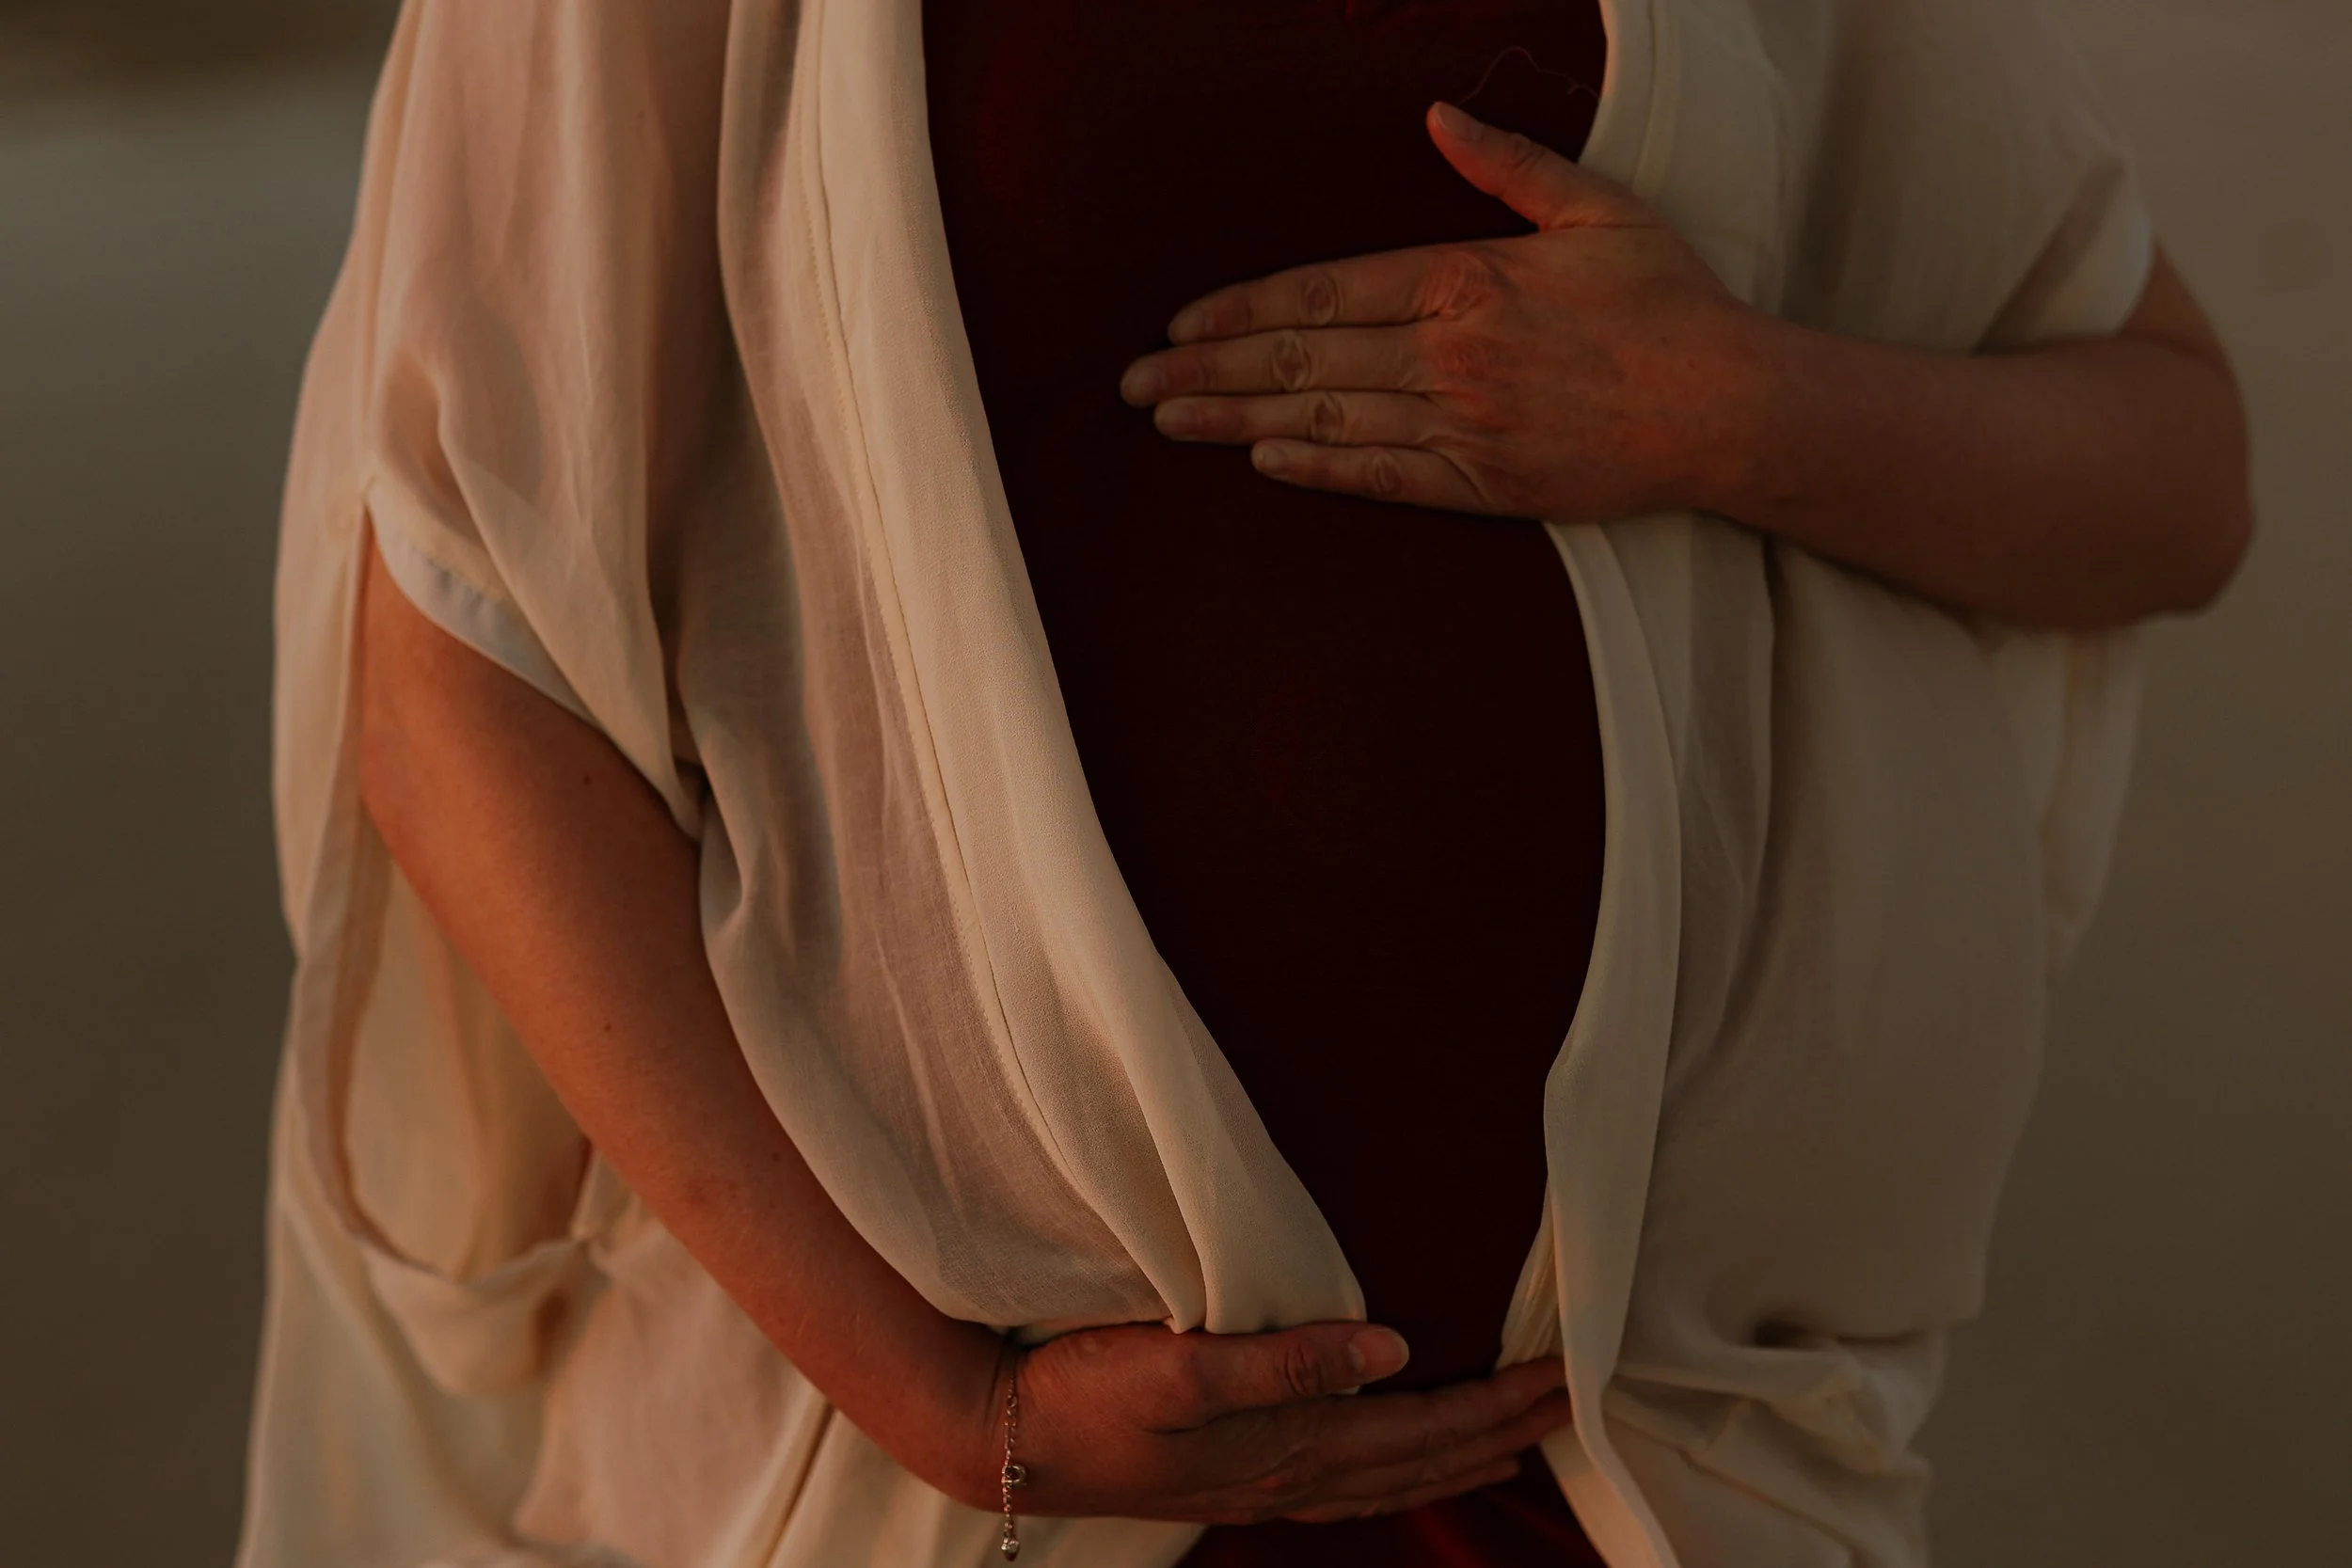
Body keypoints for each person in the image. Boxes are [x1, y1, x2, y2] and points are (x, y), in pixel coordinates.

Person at [238, 3, 2249, 1566]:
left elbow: (2171, 475)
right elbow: (452, 673)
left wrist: (1720, 405)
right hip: (950, 1490)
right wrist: (952, 1401)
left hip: (1647, 1463)